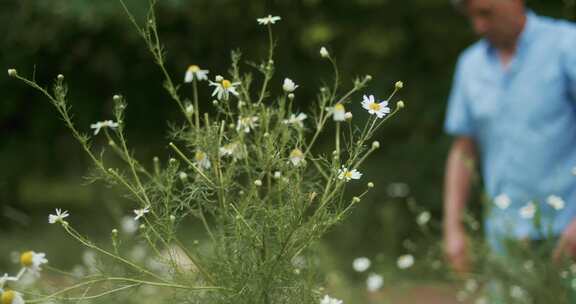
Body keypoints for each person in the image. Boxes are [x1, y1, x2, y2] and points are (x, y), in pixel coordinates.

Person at [443, 0, 576, 274]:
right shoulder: (470, 65)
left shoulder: (567, 44)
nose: (478, 26)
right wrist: (452, 227)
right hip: (505, 239)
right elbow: (463, 149)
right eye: (472, 17)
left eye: (485, 13)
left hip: (567, 231)